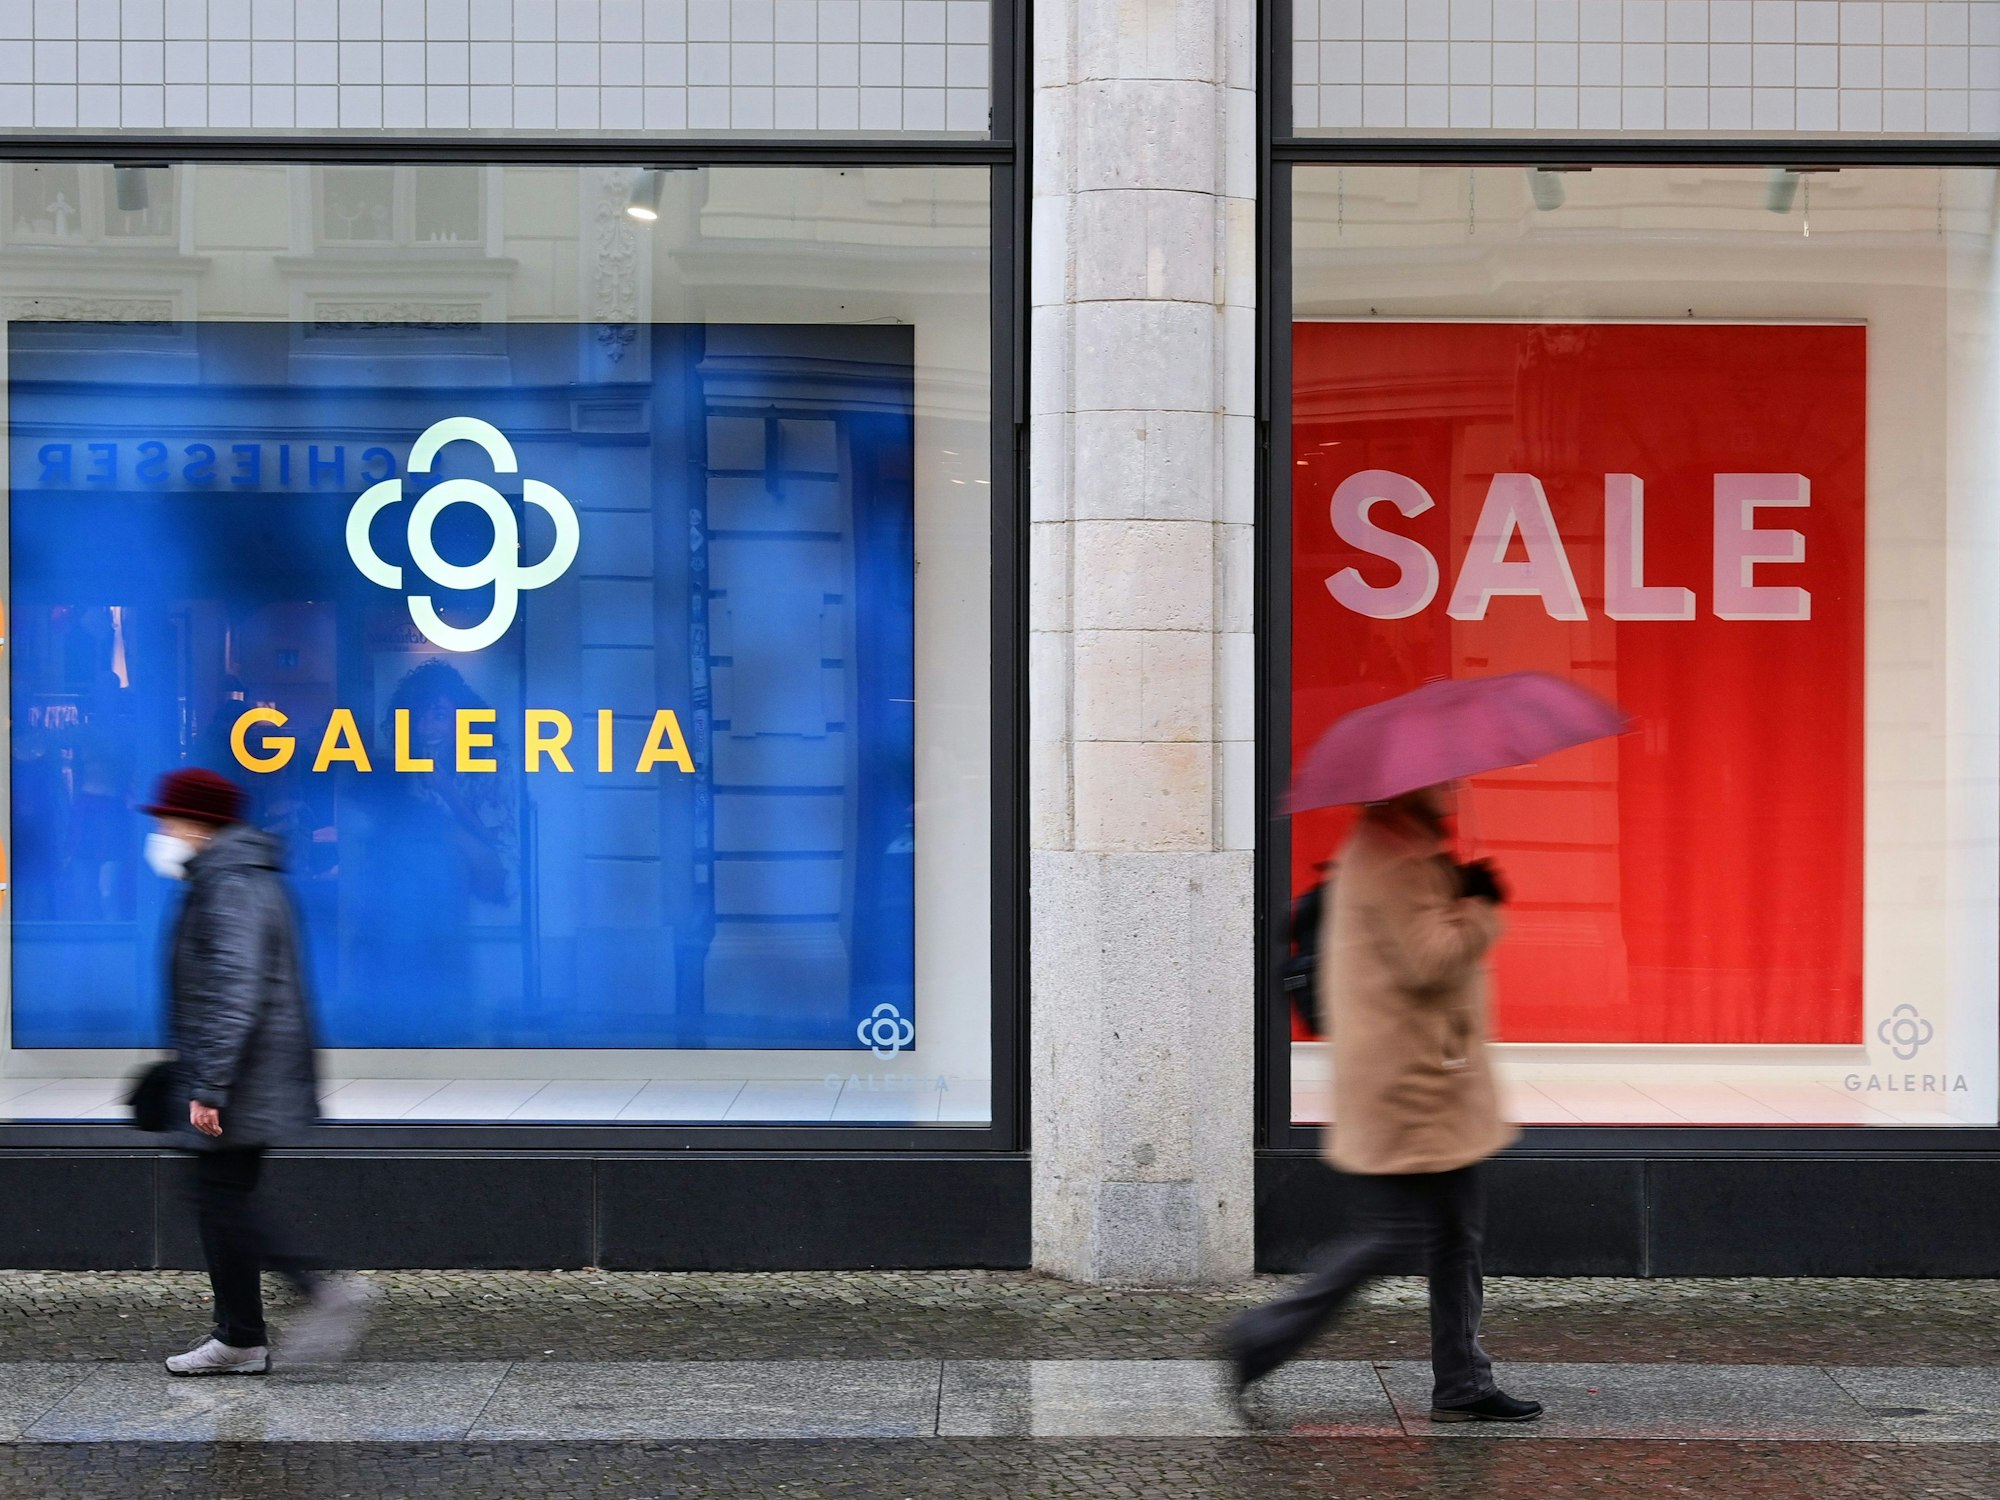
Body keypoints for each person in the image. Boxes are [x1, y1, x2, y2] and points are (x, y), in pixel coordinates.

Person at [1222, 783, 1542, 1423]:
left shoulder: (1402, 847)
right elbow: (1429, 960)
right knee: (1395, 1237)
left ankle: (1463, 1382)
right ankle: (1263, 1337)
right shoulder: (1394, 856)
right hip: (1414, 1086)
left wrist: (1454, 887)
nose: (1454, 790)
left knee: (1455, 1236)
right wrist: (1478, 906)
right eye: (1444, 781)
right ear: (1413, 786)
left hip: (1431, 1078)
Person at [143, 767, 375, 1375]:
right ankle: (241, 1335)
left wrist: (210, 1085)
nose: (163, 831)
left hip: (241, 1077)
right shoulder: (229, 877)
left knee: (220, 1200)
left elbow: (235, 989)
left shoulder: (233, 883)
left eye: (169, 819)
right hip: (243, 1071)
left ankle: (316, 1295)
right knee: (220, 1199)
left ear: (198, 823)